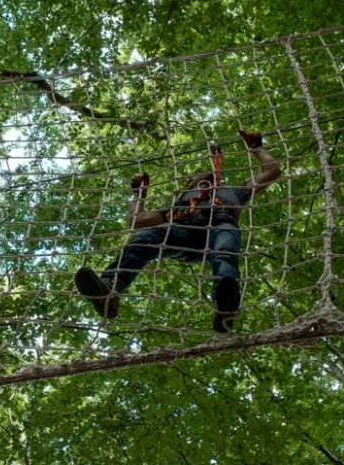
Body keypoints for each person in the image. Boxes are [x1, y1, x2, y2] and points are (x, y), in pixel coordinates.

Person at [75, 131, 281, 332]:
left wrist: (257, 148)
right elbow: (136, 221)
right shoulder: (180, 205)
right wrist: (139, 195)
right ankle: (111, 288)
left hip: (220, 226)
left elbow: (271, 171)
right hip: (185, 232)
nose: (200, 174)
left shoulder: (234, 191)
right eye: (194, 177)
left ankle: (225, 304)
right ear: (189, 185)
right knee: (146, 238)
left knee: (225, 249)